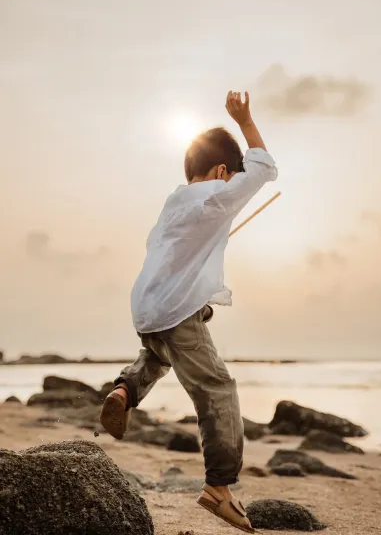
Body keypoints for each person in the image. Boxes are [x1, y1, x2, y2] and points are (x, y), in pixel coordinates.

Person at [100, 91, 277, 533]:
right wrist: (246, 121)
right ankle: (219, 487)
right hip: (176, 311)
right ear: (221, 172)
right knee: (217, 389)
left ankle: (125, 390)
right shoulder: (219, 194)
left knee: (160, 354)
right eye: (229, 175)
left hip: (148, 307)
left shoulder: (173, 203)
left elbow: (182, 259)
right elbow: (265, 169)